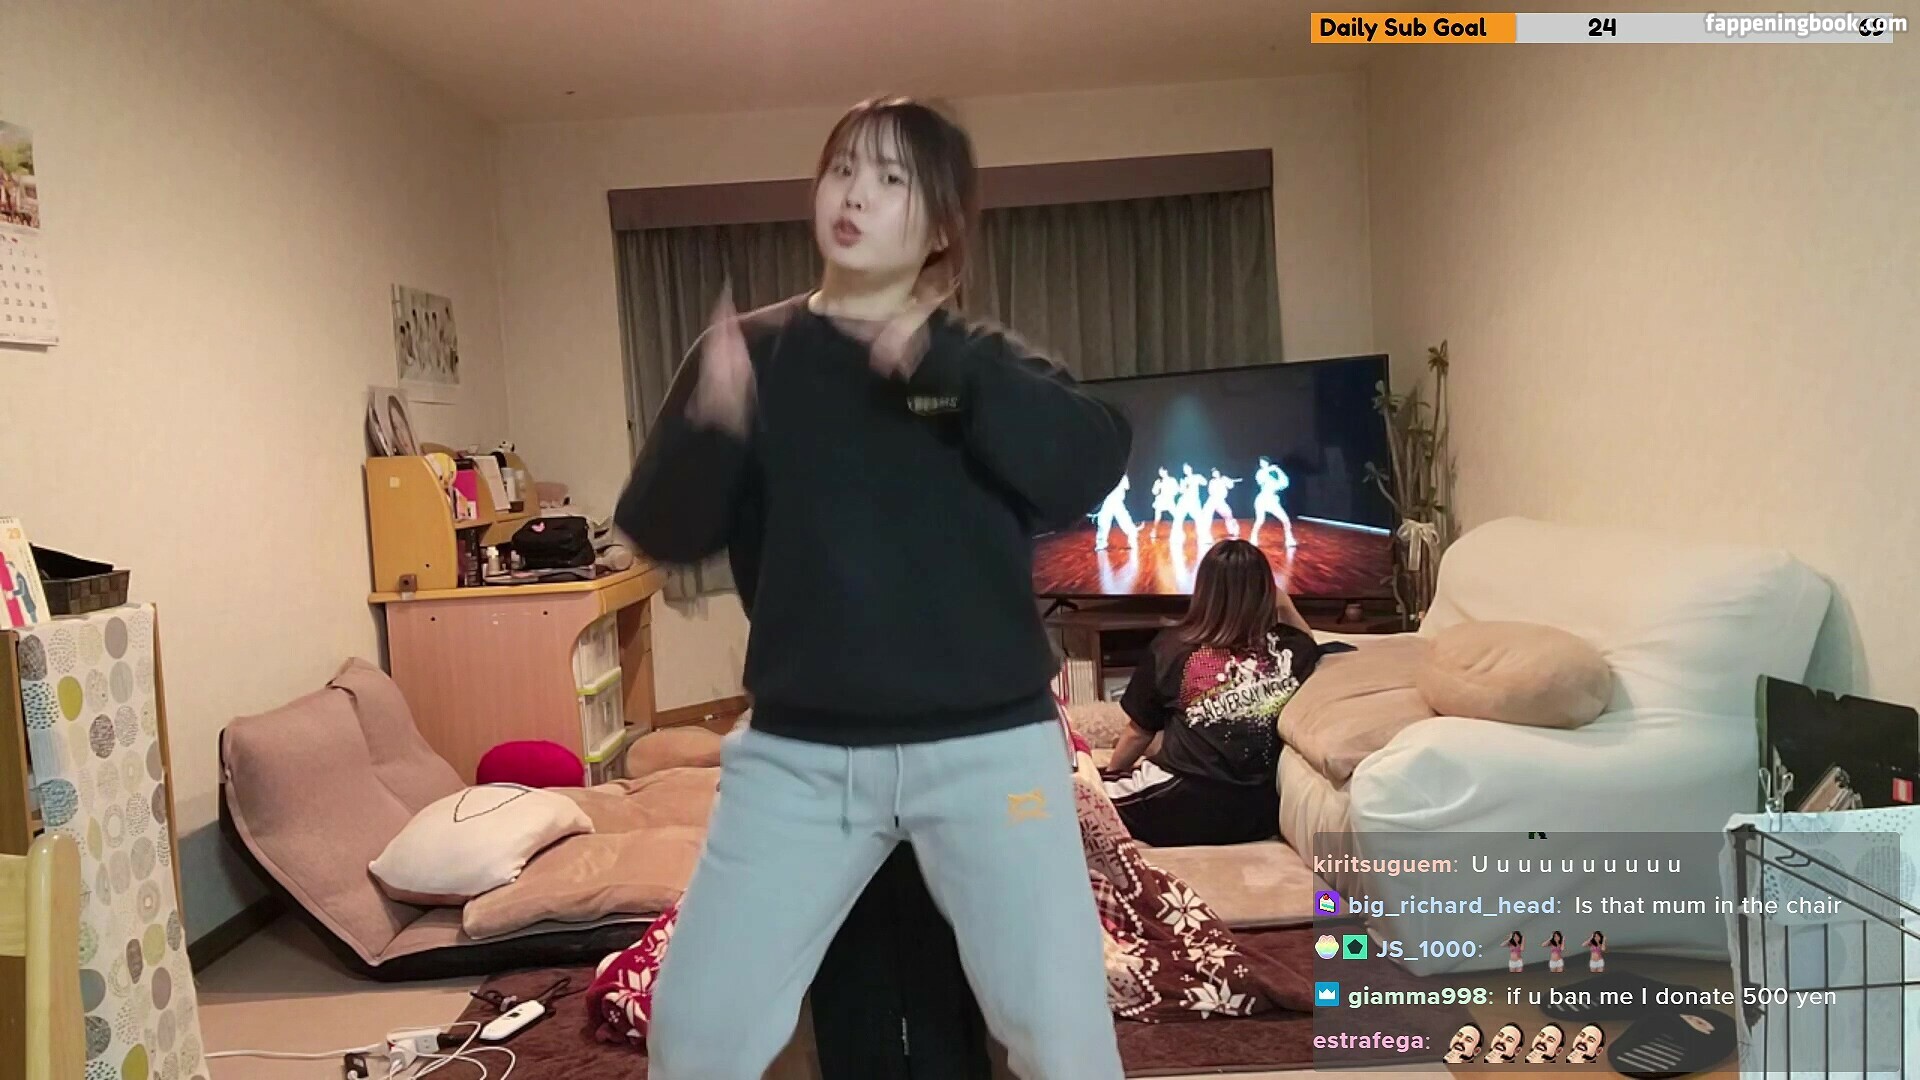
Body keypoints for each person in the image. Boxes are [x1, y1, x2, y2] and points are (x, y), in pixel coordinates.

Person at [614, 96, 1131, 1080]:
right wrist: (709, 422)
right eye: (843, 169)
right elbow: (664, 530)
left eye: (892, 179)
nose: (855, 193)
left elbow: (1087, 462)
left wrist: (943, 366)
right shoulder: (749, 353)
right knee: (698, 1033)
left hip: (992, 752)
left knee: (1063, 1039)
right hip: (802, 758)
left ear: (939, 228)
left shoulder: (979, 360)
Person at [1100, 540, 1319, 847]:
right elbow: (1311, 644)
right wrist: (1284, 605)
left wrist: (1111, 776)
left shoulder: (1172, 647)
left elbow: (1138, 733)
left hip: (1181, 800)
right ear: (1267, 592)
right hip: (1256, 814)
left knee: (1079, 795)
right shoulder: (1292, 648)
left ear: (1204, 591)